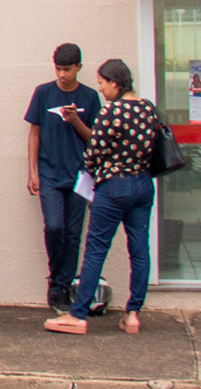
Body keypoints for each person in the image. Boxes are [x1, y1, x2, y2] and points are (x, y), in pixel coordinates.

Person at [45, 59, 156, 336]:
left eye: (103, 83)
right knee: (140, 249)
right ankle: (133, 314)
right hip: (143, 184)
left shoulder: (112, 112)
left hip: (114, 186)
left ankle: (78, 314)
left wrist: (91, 172)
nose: (101, 89)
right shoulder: (148, 108)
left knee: (96, 248)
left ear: (115, 83)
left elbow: (93, 151)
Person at [24, 43, 100, 312]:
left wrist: (75, 120)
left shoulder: (90, 97)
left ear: (79, 67)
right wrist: (32, 171)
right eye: (58, 69)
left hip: (81, 175)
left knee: (73, 233)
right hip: (49, 173)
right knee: (55, 227)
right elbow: (34, 132)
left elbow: (95, 139)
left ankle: (61, 288)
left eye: (67, 69)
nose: (62, 74)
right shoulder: (44, 93)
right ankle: (56, 280)